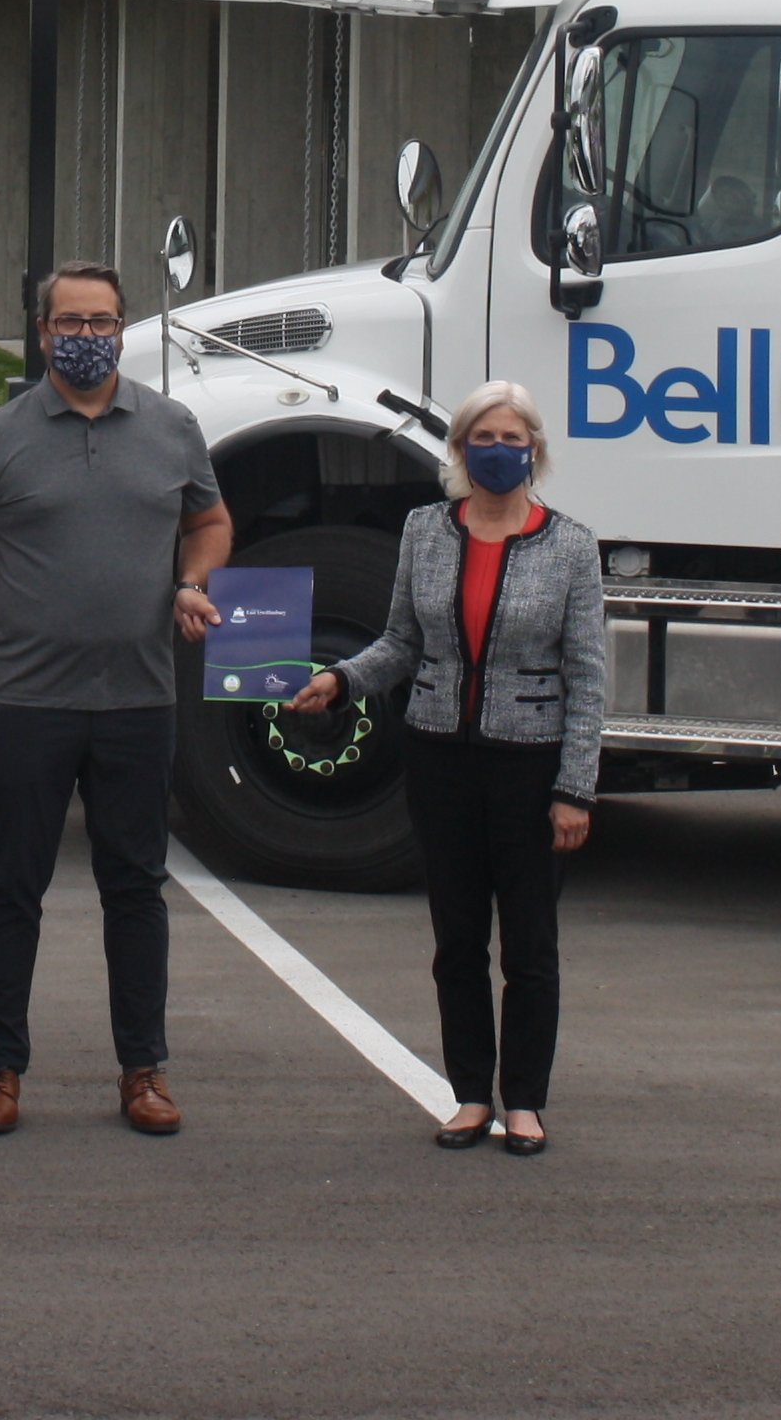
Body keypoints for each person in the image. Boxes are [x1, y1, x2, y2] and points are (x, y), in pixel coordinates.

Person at [0, 261, 230, 1137]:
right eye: (70, 322)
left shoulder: (171, 428)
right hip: (26, 702)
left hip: (138, 701)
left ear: (124, 329)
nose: (86, 336)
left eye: (101, 321)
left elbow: (209, 520)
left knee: (135, 889)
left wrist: (192, 577)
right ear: (44, 329)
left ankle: (143, 1070)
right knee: (12, 887)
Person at [292, 377, 604, 1156]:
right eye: (484, 439)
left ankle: (525, 1101)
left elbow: (589, 676)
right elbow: (401, 641)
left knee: (529, 946)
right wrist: (340, 680)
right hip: (441, 760)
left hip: (530, 768)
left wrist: (575, 789)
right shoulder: (426, 530)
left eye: (514, 438)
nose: (500, 452)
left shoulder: (570, 544)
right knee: (457, 941)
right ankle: (470, 1094)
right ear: (460, 450)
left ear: (536, 449)